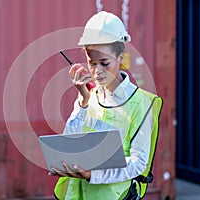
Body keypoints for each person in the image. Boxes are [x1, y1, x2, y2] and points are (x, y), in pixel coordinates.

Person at [50, 11, 163, 200]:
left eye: (104, 63)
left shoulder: (141, 103)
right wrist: (83, 101)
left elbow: (138, 163)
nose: (97, 71)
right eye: (91, 63)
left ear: (121, 57)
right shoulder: (89, 96)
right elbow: (70, 143)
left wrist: (93, 175)